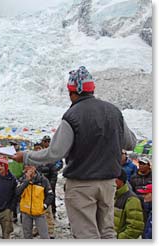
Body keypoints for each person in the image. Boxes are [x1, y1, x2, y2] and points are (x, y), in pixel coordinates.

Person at [12, 66, 137, 239]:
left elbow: (55, 153)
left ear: (72, 92)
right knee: (107, 232)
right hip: (108, 183)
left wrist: (26, 156)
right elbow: (131, 143)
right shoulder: (114, 112)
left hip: (82, 185)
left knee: (87, 234)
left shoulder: (72, 116)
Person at [16, 165, 54, 239]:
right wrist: (26, 181)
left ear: (34, 168)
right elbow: (17, 193)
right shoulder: (22, 179)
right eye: (26, 166)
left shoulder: (43, 180)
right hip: (26, 212)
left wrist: (44, 205)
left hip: (39, 212)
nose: (28, 169)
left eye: (30, 167)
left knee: (44, 236)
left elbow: (50, 195)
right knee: (27, 235)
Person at [114, 169, 144, 239]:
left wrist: (118, 239)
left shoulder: (132, 200)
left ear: (120, 180)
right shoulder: (110, 195)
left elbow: (135, 228)